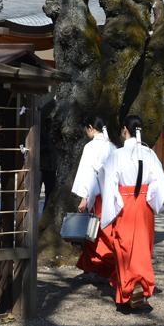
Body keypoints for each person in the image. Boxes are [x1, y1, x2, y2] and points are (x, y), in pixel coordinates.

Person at [100, 115, 164, 309]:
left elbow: (107, 181)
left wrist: (113, 205)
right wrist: (152, 200)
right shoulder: (150, 153)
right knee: (142, 248)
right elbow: (161, 183)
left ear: (124, 130)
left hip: (125, 204)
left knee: (124, 247)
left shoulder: (118, 155)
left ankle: (127, 290)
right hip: (144, 205)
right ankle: (142, 287)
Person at [72, 113, 117, 279]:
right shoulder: (112, 147)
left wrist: (84, 197)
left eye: (87, 129)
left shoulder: (90, 147)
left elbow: (87, 174)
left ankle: (99, 267)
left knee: (96, 233)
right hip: (111, 195)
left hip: (96, 196)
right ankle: (106, 268)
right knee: (107, 232)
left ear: (90, 128)